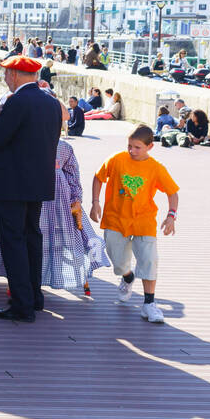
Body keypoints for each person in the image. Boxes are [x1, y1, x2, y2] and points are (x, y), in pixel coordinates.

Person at [0, 54, 62, 323]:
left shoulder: (17, 102)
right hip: (37, 184)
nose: (5, 78)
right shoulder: (50, 103)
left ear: (15, 75)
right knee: (31, 238)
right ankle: (34, 297)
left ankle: (21, 304)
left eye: (6, 74)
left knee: (13, 242)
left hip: (11, 186)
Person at [0, 135, 108, 296]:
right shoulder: (52, 145)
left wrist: (76, 198)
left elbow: (72, 173)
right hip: (40, 202)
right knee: (25, 233)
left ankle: (24, 279)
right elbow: (72, 174)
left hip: (56, 206)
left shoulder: (62, 147)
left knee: (25, 235)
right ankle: (20, 277)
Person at [90, 124, 179, 323]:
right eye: (130, 146)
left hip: (143, 220)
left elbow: (172, 193)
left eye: (137, 147)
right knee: (118, 261)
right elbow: (98, 177)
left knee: (149, 260)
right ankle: (127, 276)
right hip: (116, 218)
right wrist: (95, 203)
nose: (132, 151)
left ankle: (149, 304)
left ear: (149, 147)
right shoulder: (117, 159)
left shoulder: (156, 168)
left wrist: (171, 215)